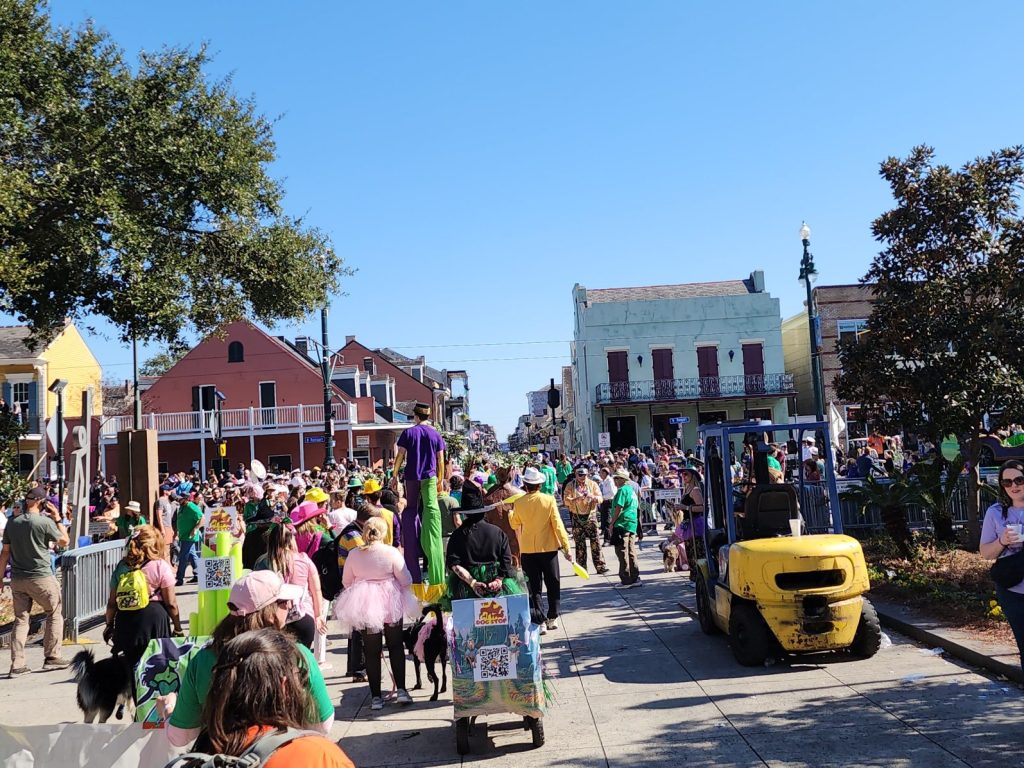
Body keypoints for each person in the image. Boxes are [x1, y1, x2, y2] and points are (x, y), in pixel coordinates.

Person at [163, 572, 335, 750]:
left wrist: (169, 708)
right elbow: (323, 725)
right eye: (283, 602)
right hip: (282, 756)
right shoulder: (297, 655)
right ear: (268, 613)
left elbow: (180, 737)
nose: (290, 606)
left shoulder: (204, 660)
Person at [333, 517, 417, 711]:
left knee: (371, 651)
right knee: (396, 646)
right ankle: (402, 690)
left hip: (365, 603)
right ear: (384, 531)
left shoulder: (354, 554)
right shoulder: (391, 552)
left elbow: (346, 581)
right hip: (390, 601)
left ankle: (376, 697)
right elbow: (406, 579)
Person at [0, 487, 70, 676]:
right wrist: (57, 518)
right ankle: (52, 657)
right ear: (42, 502)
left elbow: (5, 552)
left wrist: (0, 577)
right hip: (41, 577)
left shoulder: (13, 523)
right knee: (54, 613)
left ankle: (17, 664)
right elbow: (65, 541)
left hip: (17, 578)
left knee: (21, 620)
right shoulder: (45, 522)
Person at [103, 526, 182, 667]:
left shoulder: (122, 566)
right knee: (156, 666)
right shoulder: (160, 566)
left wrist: (109, 625)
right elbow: (171, 603)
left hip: (125, 619)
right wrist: (178, 628)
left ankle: (133, 688)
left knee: (130, 665)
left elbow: (111, 603)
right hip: (154, 619)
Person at [391, 402, 447, 590]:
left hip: (411, 477)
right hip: (430, 477)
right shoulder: (435, 434)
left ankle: (411, 532)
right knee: (431, 508)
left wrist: (394, 475)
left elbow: (400, 456)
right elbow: (440, 459)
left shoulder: (408, 433)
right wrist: (440, 479)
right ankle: (435, 578)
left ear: (415, 416)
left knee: (411, 509)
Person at [510, 467, 572, 634]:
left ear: (525, 484)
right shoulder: (548, 500)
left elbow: (514, 523)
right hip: (549, 548)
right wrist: (566, 546)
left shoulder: (519, 503)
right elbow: (558, 525)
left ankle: (540, 620)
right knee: (553, 582)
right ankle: (553, 617)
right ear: (540, 484)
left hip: (528, 550)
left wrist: (511, 514)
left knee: (534, 587)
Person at [446, 480, 522, 600]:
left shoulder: (457, 535)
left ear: (465, 514)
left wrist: (472, 583)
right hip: (498, 588)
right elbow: (507, 560)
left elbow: (454, 564)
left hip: (466, 588)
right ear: (483, 512)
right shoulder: (497, 532)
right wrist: (498, 580)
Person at [980, 459, 1024, 665]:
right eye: (1007, 482)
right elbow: (986, 553)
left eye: (1019, 480)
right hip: (1012, 590)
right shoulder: (995, 512)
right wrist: (1002, 541)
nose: (1014, 486)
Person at [257, 521, 325, 650]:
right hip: (303, 616)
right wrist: (319, 615)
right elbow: (316, 590)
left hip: (275, 620)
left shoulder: (262, 563)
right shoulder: (303, 559)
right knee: (301, 662)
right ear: (291, 540)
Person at [563, 466, 608, 575]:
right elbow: (566, 500)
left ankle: (600, 566)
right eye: (580, 475)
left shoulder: (592, 484)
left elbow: (600, 498)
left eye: (585, 475)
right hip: (577, 516)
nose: (583, 477)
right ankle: (581, 568)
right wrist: (575, 499)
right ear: (576, 474)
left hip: (591, 516)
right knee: (579, 544)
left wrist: (593, 497)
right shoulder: (570, 485)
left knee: (595, 542)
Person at [608, 468, 641, 588]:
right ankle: (635, 577)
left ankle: (626, 579)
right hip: (631, 523)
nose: (615, 480)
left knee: (622, 551)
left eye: (617, 478)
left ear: (622, 479)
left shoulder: (622, 490)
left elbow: (619, 507)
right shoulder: (631, 490)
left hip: (622, 523)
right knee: (631, 551)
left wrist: (612, 523)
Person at [175, 492, 204, 586]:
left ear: (187, 499)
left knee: (183, 557)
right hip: (183, 536)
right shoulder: (182, 506)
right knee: (192, 556)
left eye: (181, 498)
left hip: (189, 537)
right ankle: (198, 576)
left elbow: (202, 518)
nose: (178, 500)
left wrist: (195, 529)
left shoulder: (191, 506)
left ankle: (179, 579)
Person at [597, 466, 616, 545]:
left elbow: (612, 493)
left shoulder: (609, 481)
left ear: (605, 473)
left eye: (601, 473)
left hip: (608, 502)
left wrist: (602, 497)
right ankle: (608, 538)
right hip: (604, 502)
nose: (600, 474)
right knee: (604, 522)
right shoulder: (604, 481)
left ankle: (607, 540)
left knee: (608, 521)